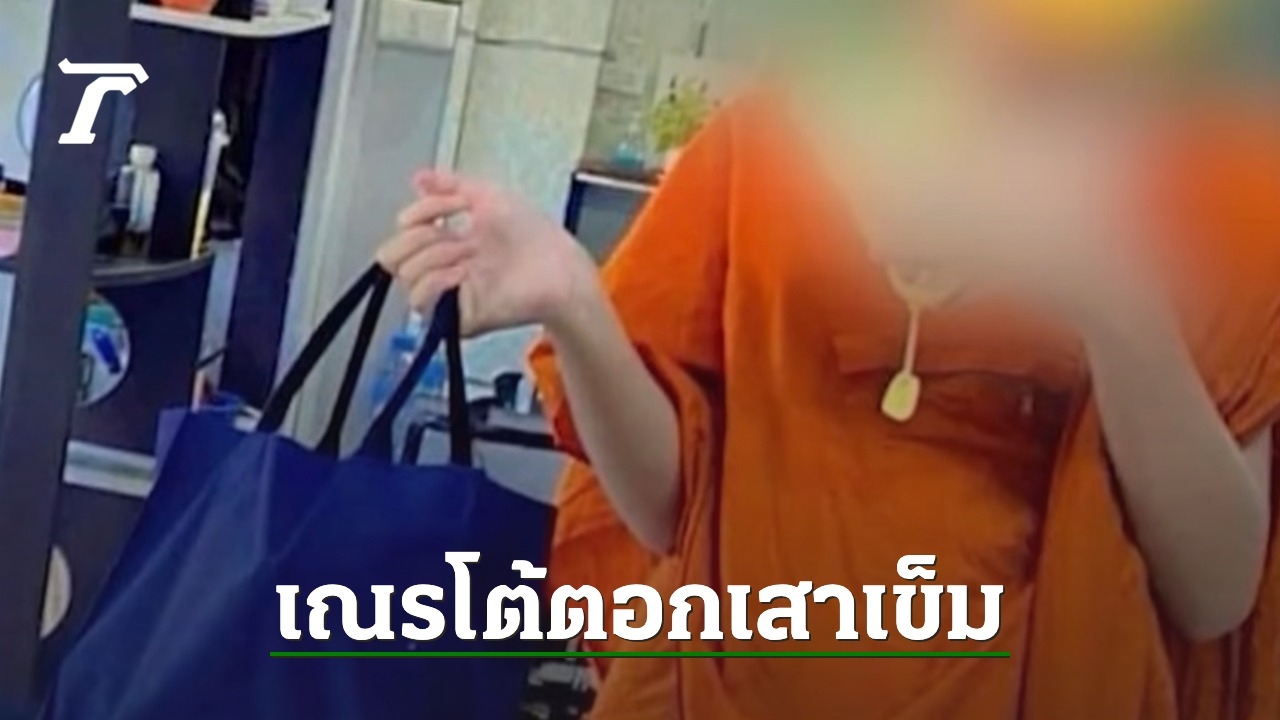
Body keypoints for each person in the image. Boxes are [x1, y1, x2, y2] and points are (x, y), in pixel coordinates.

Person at [376, 2, 1278, 717]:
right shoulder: (773, 135)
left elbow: (1212, 592)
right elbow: (670, 514)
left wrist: (1105, 294)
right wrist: (575, 303)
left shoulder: (1209, 177)